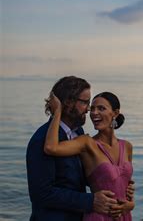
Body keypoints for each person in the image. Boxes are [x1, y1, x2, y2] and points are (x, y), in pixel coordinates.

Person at [26, 76, 127, 220]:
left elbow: (81, 176)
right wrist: (90, 201)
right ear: (68, 103)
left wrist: (118, 181)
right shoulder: (41, 139)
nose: (89, 110)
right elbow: (41, 194)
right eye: (85, 102)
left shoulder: (78, 132)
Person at [44, 90, 134, 220]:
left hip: (124, 216)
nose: (94, 113)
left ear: (115, 113)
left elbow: (127, 188)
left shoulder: (127, 146)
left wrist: (130, 205)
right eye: (92, 109)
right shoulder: (86, 143)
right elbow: (51, 147)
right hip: (99, 216)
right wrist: (57, 112)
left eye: (101, 108)